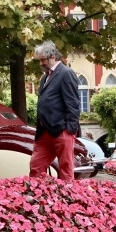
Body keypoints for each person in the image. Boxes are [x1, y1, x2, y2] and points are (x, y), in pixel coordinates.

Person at [29, 41, 81, 180]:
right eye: (39, 60)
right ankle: (37, 199)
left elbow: (73, 103)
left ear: (53, 56)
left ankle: (66, 200)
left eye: (43, 60)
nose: (41, 64)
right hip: (44, 132)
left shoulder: (66, 73)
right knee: (36, 167)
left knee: (65, 168)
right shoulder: (45, 77)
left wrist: (70, 130)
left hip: (61, 130)